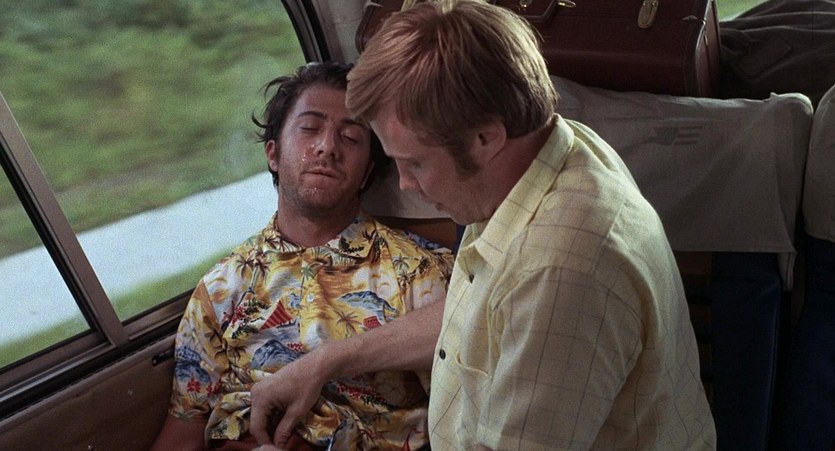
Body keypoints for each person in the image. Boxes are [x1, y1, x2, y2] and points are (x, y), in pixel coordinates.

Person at [343, 1, 716, 449]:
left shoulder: (560, 269)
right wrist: (322, 363)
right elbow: (479, 319)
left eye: (416, 163)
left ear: (486, 138)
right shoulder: (550, 155)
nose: (405, 183)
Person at [150, 61, 453, 451]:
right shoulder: (221, 289)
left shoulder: (418, 272)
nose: (327, 147)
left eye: (350, 137)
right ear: (273, 154)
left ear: (366, 173)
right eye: (310, 128)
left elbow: (458, 417)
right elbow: (182, 435)